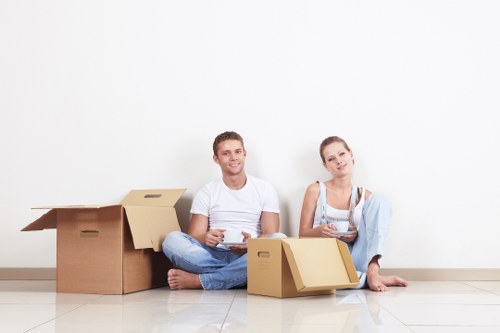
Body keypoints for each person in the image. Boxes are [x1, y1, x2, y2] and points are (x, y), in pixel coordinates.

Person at [162, 131, 286, 290]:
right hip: (212, 254)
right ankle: (239, 275)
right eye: (226, 153)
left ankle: (202, 281)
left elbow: (270, 233)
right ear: (216, 159)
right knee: (172, 239)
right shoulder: (207, 191)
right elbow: (195, 235)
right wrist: (206, 238)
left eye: (238, 152)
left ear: (244, 154)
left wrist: (252, 244)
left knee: (279, 239)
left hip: (250, 254)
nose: (233, 157)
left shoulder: (264, 189)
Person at [299, 136, 408, 292]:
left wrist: (354, 237)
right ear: (325, 166)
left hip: (356, 258)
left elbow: (372, 235)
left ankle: (372, 271)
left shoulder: (366, 195)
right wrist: (319, 231)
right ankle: (368, 279)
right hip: (324, 258)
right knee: (309, 274)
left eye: (342, 154)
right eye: (331, 159)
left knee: (380, 200)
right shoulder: (315, 190)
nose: (339, 160)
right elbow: (302, 234)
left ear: (351, 154)